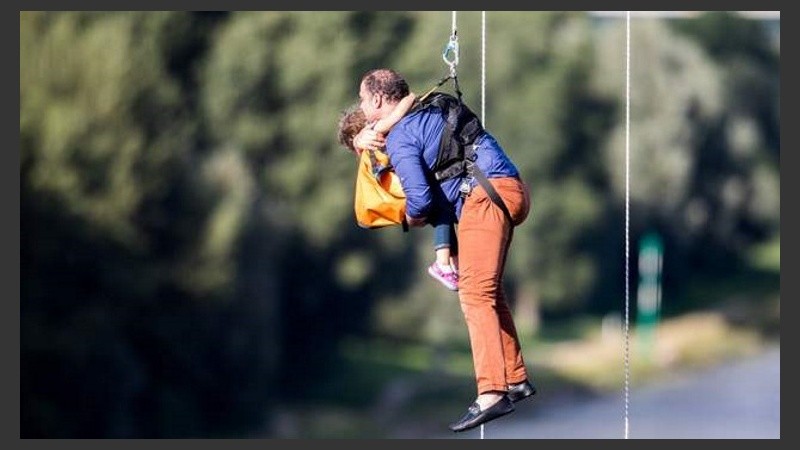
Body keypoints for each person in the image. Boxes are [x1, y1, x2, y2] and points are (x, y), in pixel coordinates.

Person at [355, 68, 536, 432]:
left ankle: (491, 393)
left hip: (484, 199)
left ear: (377, 99)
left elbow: (420, 200)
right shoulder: (426, 108)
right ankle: (515, 378)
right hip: (506, 190)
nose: (361, 107)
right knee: (489, 291)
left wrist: (408, 218)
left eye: (362, 100)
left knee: (474, 295)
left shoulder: (401, 137)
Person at [337, 96, 459, 291]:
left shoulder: (367, 142)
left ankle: (452, 263)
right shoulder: (373, 133)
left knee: (441, 213)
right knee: (441, 208)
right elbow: (396, 116)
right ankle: (444, 264)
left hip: (401, 193)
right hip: (408, 190)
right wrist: (410, 98)